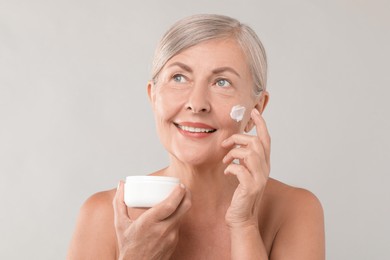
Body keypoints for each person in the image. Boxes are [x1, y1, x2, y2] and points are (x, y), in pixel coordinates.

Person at [67, 14, 325, 260]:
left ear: (255, 109)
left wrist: (244, 224)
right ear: (153, 96)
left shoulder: (294, 211)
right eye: (179, 77)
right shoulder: (102, 215)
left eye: (222, 82)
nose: (196, 103)